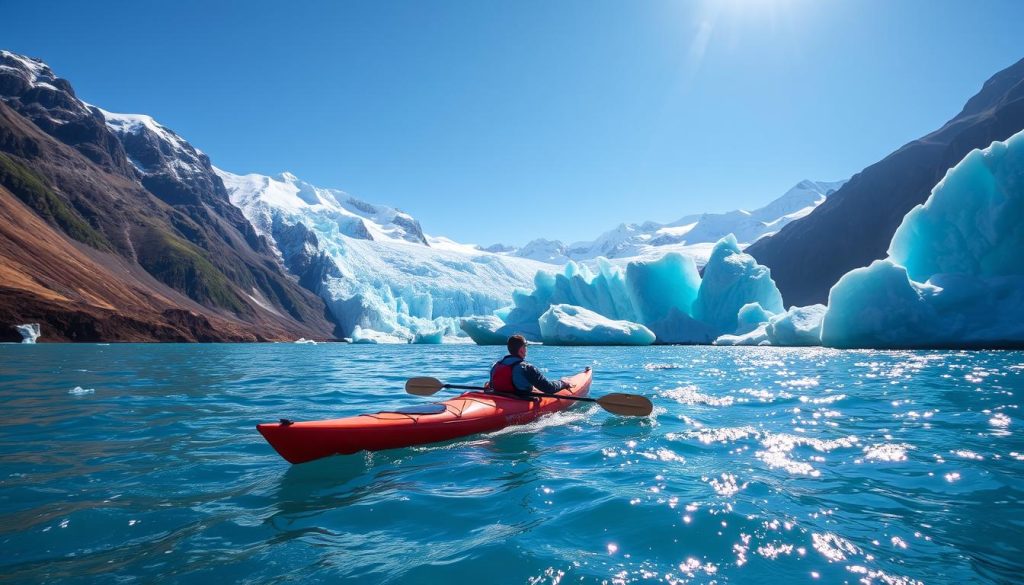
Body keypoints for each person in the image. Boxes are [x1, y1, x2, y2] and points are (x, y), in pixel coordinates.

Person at [488, 334, 571, 399]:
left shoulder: (496, 365)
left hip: (500, 397)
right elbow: (549, 388)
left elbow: (491, 385)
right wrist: (563, 383)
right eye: (525, 346)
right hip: (520, 400)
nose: (526, 349)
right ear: (521, 350)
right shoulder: (526, 368)